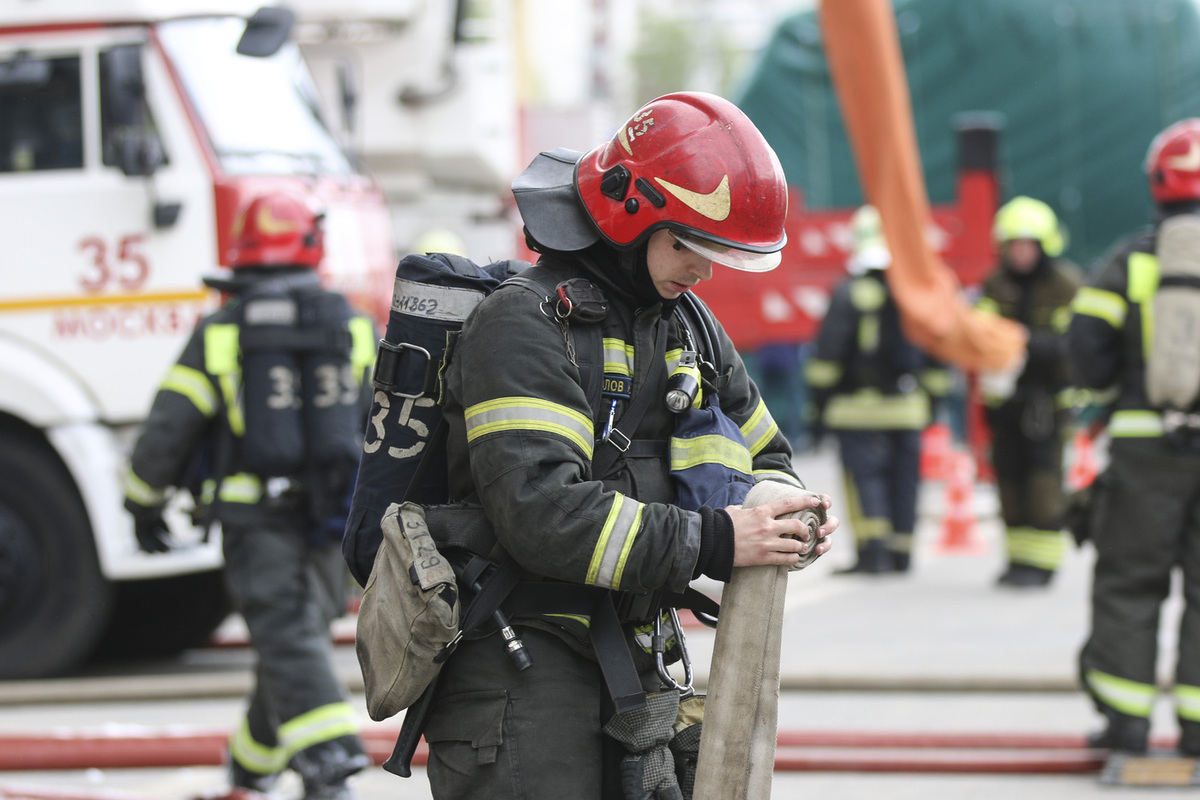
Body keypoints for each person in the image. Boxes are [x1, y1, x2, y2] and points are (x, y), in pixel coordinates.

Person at [422, 91, 838, 799]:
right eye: (690, 246)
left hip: (637, 654)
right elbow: (543, 515)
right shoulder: (522, 325)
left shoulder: (687, 325)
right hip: (523, 670)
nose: (703, 271)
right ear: (629, 214)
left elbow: (766, 453)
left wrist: (784, 516)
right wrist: (716, 539)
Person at [122, 192, 377, 799]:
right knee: (295, 634)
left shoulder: (222, 331)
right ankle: (251, 767)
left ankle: (328, 757)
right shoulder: (355, 325)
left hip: (255, 516)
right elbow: (377, 422)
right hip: (331, 514)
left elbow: (170, 427)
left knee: (286, 635)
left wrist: (142, 501)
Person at [1066, 118, 1200, 756]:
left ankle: (1127, 726)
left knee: (1129, 583)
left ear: (1158, 183)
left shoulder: (1129, 261)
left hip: (1147, 450)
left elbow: (1086, 355)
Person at [804, 205, 953, 574]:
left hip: (857, 410)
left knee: (864, 480)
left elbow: (827, 359)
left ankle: (874, 554)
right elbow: (938, 355)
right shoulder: (916, 295)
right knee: (905, 481)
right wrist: (932, 403)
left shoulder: (849, 294)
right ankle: (902, 554)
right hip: (908, 408)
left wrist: (818, 409)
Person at [975, 196, 1083, 588]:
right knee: (1009, 481)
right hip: (1004, 402)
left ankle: (1042, 565)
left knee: (1042, 483)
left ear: (1044, 246)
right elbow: (979, 333)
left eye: (1028, 245)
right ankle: (1018, 560)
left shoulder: (1065, 285)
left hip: (1046, 404)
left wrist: (1020, 341)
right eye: (1014, 245)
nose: (1020, 253)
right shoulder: (995, 283)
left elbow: (1072, 345)